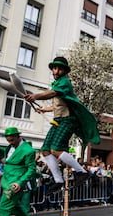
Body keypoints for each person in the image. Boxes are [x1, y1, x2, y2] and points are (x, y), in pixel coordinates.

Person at [24, 56, 100, 194]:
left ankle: (81, 172)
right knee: (45, 150)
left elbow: (52, 93)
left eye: (60, 69)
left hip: (68, 120)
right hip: (58, 120)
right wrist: (42, 109)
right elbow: (56, 105)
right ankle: (58, 180)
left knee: (55, 149)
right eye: (54, 68)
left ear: (65, 71)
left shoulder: (64, 83)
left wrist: (35, 96)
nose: (56, 71)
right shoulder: (57, 84)